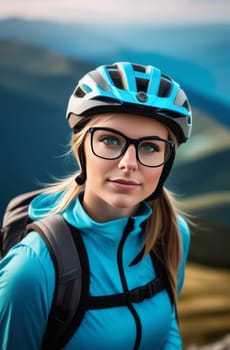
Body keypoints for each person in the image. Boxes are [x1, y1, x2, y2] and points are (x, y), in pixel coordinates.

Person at [0, 61, 192, 349]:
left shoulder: (172, 234)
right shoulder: (32, 270)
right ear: (81, 149)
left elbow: (169, 328)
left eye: (150, 147)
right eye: (110, 140)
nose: (129, 164)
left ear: (167, 161)